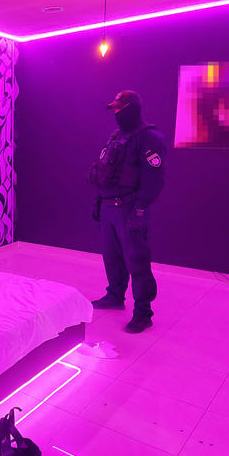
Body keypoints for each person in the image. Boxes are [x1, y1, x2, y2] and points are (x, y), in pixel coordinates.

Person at [89, 90, 166, 333]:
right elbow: (105, 170)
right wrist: (98, 201)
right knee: (111, 257)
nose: (116, 113)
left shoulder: (150, 139)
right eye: (114, 109)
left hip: (129, 208)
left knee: (137, 261)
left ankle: (143, 312)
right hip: (108, 207)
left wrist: (140, 208)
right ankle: (115, 295)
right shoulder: (116, 137)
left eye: (120, 108)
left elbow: (154, 179)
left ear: (132, 108)